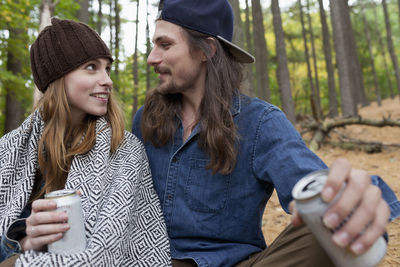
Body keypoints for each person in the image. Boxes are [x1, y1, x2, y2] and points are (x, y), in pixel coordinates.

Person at [131, 0, 400, 266]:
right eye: (154, 45)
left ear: (206, 50)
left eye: (165, 45)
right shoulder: (145, 120)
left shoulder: (260, 122)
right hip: (152, 260)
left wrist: (350, 200)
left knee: (329, 227)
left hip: (236, 263)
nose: (151, 57)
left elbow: (313, 187)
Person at [0, 18, 171, 266]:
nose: (107, 80)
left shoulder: (125, 151)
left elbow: (106, 252)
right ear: (56, 78)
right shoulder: (10, 150)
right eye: (91, 67)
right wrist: (23, 242)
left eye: (107, 69)